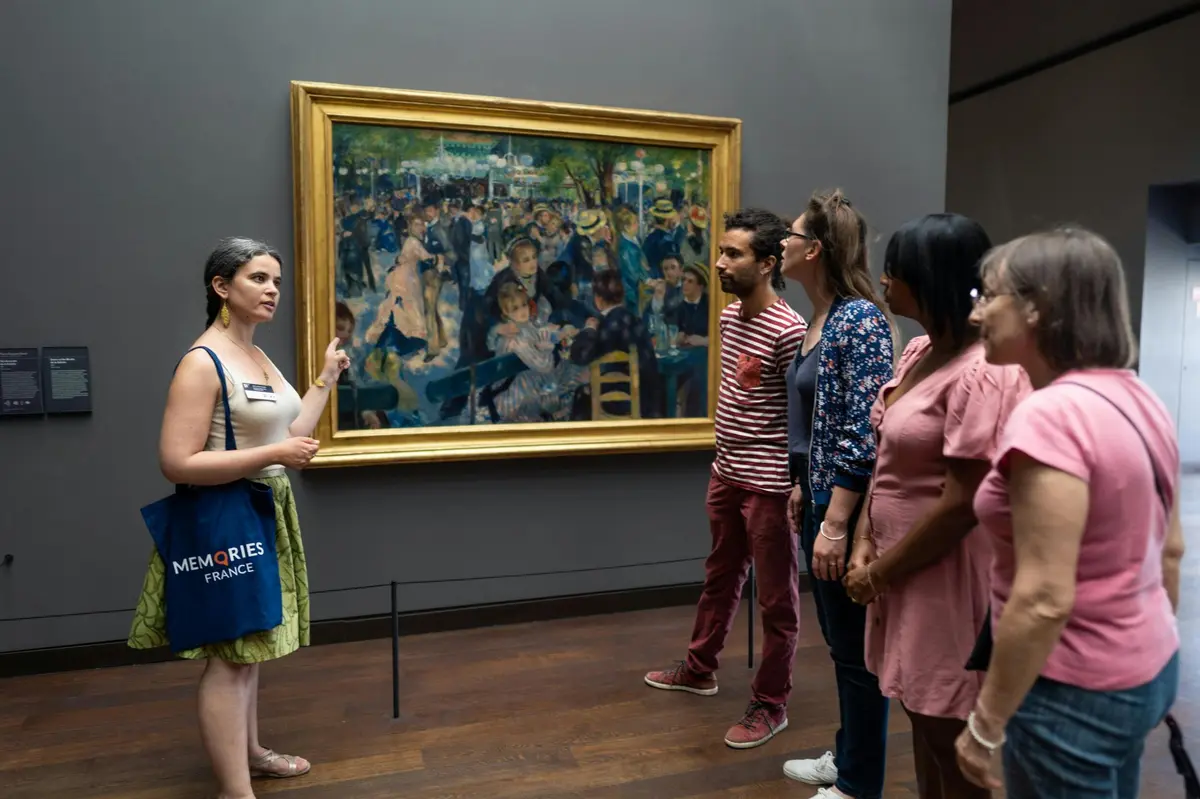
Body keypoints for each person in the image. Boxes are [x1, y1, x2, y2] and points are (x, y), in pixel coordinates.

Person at [954, 227, 1183, 798]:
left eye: (989, 296)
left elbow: (1044, 597)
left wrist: (984, 726)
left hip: (1068, 690)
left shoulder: (1049, 416)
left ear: (1038, 307)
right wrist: (1140, 652)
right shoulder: (1139, 395)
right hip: (1146, 669)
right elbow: (1170, 552)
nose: (976, 313)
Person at [127, 237, 350, 799]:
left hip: (262, 509)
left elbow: (291, 433)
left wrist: (325, 379)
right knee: (229, 659)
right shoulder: (203, 361)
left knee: (250, 650)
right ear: (221, 287)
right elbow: (176, 461)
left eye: (276, 279)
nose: (273, 288)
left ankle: (249, 754)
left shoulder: (256, 354)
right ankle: (234, 791)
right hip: (226, 517)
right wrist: (272, 456)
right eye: (258, 278)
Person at [839, 214, 1030, 799]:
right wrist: (866, 539)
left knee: (952, 740)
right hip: (897, 564)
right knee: (921, 721)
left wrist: (876, 573)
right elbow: (887, 451)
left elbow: (963, 504)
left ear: (930, 280)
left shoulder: (984, 372)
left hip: (942, 573)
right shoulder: (921, 348)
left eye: (895, 271)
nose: (884, 280)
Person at [643, 208, 807, 749]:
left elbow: (799, 416)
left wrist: (792, 483)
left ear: (766, 264)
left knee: (776, 600)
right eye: (720, 251)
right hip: (726, 472)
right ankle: (700, 668)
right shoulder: (730, 317)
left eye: (732, 254)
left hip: (767, 484)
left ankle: (771, 703)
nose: (718, 263)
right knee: (719, 576)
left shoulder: (792, 331)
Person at [776, 190, 896, 799]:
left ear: (814, 249)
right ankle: (848, 756)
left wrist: (836, 523)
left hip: (841, 509)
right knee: (841, 647)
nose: (782, 244)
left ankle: (858, 784)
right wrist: (802, 488)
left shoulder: (860, 319)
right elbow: (813, 425)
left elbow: (864, 428)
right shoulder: (817, 320)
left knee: (855, 655)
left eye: (791, 236)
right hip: (818, 497)